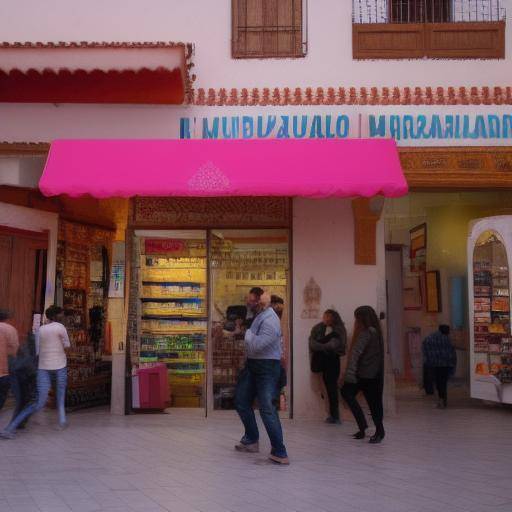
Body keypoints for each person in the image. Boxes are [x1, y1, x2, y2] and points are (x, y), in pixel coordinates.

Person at [234, 287, 289, 465]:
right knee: (242, 401)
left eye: (251, 300)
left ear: (260, 302)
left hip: (267, 367)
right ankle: (251, 439)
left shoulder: (271, 320)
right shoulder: (259, 317)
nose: (248, 303)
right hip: (253, 365)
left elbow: (257, 346)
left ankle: (279, 451)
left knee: (267, 408)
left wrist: (249, 334)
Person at [0, 305, 70, 439]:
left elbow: (37, 351)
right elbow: (67, 344)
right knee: (60, 396)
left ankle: (10, 427)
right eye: (61, 314)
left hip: (43, 367)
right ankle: (62, 421)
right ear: (57, 315)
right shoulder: (61, 328)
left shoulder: (41, 330)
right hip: (60, 365)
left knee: (37, 402)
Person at [341, 305, 385, 444]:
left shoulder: (368, 332)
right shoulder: (375, 331)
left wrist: (350, 374)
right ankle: (367, 427)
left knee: (373, 403)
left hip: (367, 375)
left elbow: (356, 353)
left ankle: (377, 430)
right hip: (370, 374)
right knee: (373, 402)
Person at [309, 309, 347, 424]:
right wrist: (324, 346)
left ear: (333, 318)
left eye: (328, 317)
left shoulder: (339, 329)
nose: (325, 319)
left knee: (332, 388)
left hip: (332, 361)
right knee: (324, 388)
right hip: (321, 361)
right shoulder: (318, 328)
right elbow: (312, 344)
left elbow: (334, 345)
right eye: (325, 316)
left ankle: (335, 415)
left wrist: (320, 345)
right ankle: (330, 414)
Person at [422, 325, 457, 409]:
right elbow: (452, 353)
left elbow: (425, 346)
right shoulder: (447, 339)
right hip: (445, 364)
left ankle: (441, 399)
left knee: (437, 382)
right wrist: (452, 364)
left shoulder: (431, 337)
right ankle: (442, 399)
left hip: (434, 364)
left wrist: (429, 358)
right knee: (443, 382)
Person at [0, 310, 19, 411]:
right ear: (7, 319)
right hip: (4, 369)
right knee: (2, 392)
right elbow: (15, 348)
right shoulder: (11, 329)